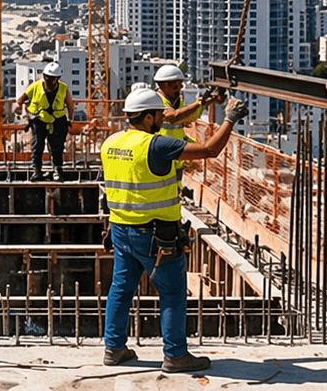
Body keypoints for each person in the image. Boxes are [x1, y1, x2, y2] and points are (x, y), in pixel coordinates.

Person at [100, 87, 244, 373]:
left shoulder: (111, 143)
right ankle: (176, 355)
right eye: (159, 116)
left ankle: (114, 349)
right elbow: (209, 150)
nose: (163, 120)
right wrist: (229, 119)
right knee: (172, 292)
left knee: (121, 290)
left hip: (120, 230)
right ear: (149, 116)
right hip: (155, 235)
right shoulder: (157, 145)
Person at [14, 62, 71, 180]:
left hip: (57, 121)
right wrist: (19, 107)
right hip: (39, 121)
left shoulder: (63, 88)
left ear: (57, 79)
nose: (49, 81)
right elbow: (21, 99)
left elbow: (70, 104)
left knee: (57, 147)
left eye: (52, 79)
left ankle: (57, 171)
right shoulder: (35, 87)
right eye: (47, 78)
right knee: (37, 146)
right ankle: (36, 171)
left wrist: (70, 119)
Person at [152, 64, 222, 141]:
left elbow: (188, 117)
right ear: (166, 84)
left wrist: (206, 103)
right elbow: (173, 117)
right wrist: (198, 104)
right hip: (162, 148)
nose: (181, 86)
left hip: (175, 143)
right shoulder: (156, 101)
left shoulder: (177, 101)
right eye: (178, 84)